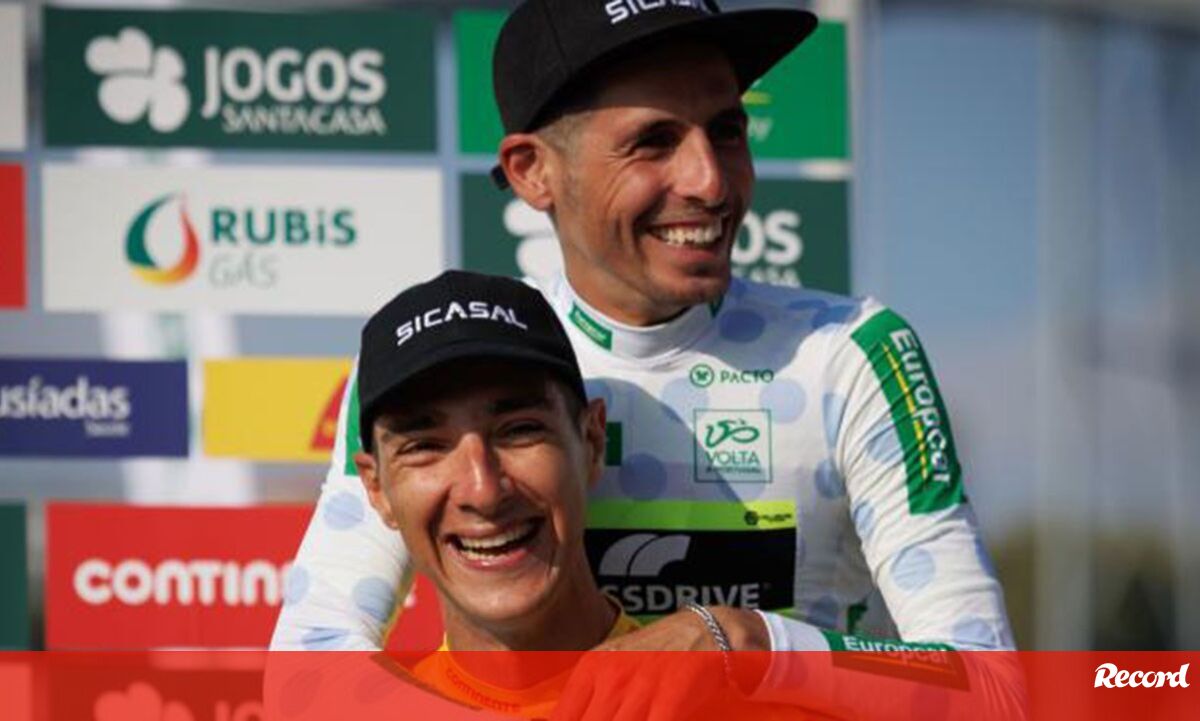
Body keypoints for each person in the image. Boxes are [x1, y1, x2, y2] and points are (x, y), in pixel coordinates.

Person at [273, 1, 1022, 718]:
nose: (709, 180)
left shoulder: (850, 355)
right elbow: (304, 680)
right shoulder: (454, 363)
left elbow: (993, 693)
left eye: (727, 130)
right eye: (653, 142)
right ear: (533, 171)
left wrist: (748, 640)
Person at [350, 270, 784, 719]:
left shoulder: (735, 704)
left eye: (519, 430)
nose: (483, 491)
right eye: (425, 446)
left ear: (592, 442)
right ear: (376, 488)